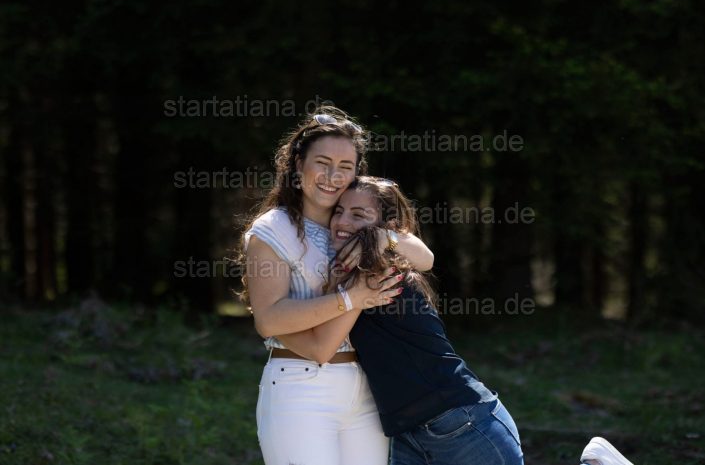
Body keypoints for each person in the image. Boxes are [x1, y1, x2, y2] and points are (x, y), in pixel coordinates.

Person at [277, 176, 635, 465]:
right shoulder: (354, 273)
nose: (342, 222)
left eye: (358, 215)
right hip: (409, 431)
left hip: (458, 420)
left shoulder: (379, 274)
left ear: (387, 227)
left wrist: (272, 324)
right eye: (339, 211)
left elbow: (322, 344)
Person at [239, 108, 435, 465]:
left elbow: (425, 258)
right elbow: (268, 320)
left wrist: (383, 238)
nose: (333, 176)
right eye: (323, 163)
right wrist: (352, 298)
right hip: (300, 386)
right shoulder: (272, 229)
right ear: (298, 165)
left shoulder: (353, 221)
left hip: (367, 388)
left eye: (345, 166)